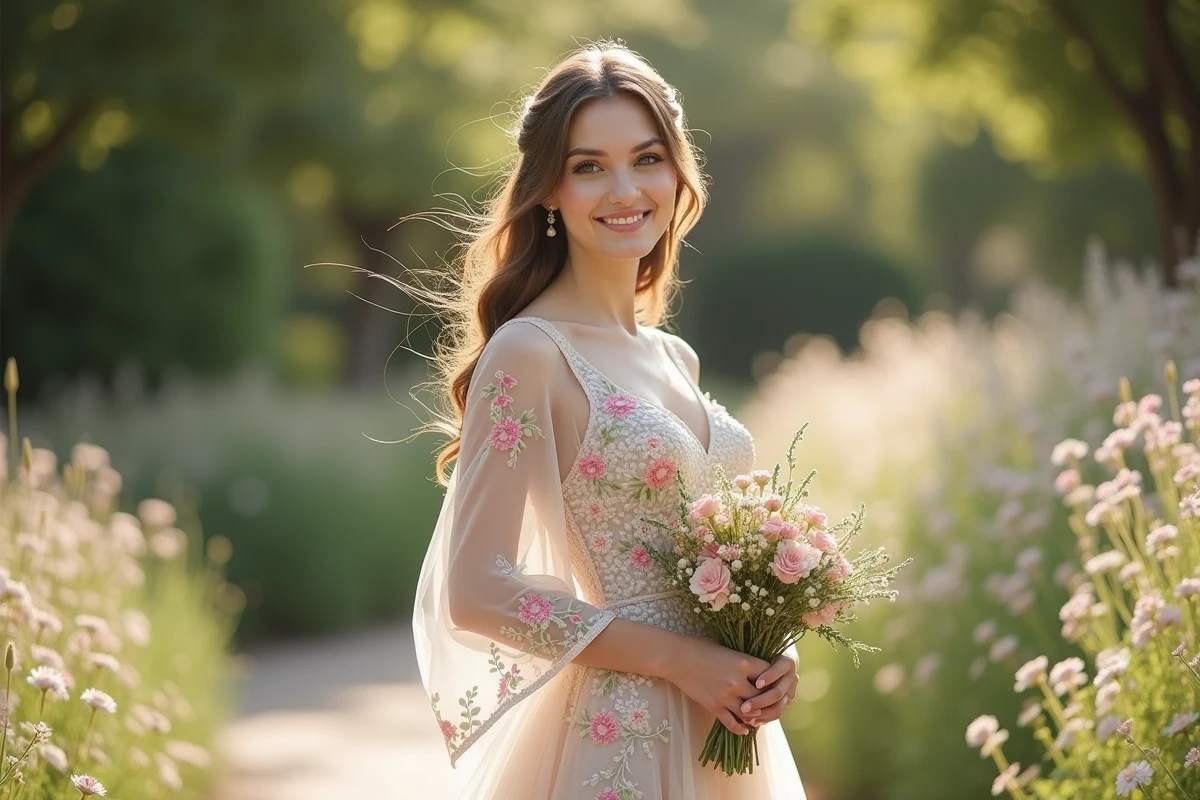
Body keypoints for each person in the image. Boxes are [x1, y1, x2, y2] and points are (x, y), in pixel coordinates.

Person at [410, 40, 807, 799]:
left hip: (728, 729)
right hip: (620, 738)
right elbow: (478, 588)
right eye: (589, 165)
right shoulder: (531, 352)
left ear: (678, 170)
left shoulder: (675, 357)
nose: (625, 188)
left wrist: (769, 654)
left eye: (647, 158)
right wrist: (680, 660)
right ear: (549, 190)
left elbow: (718, 565)